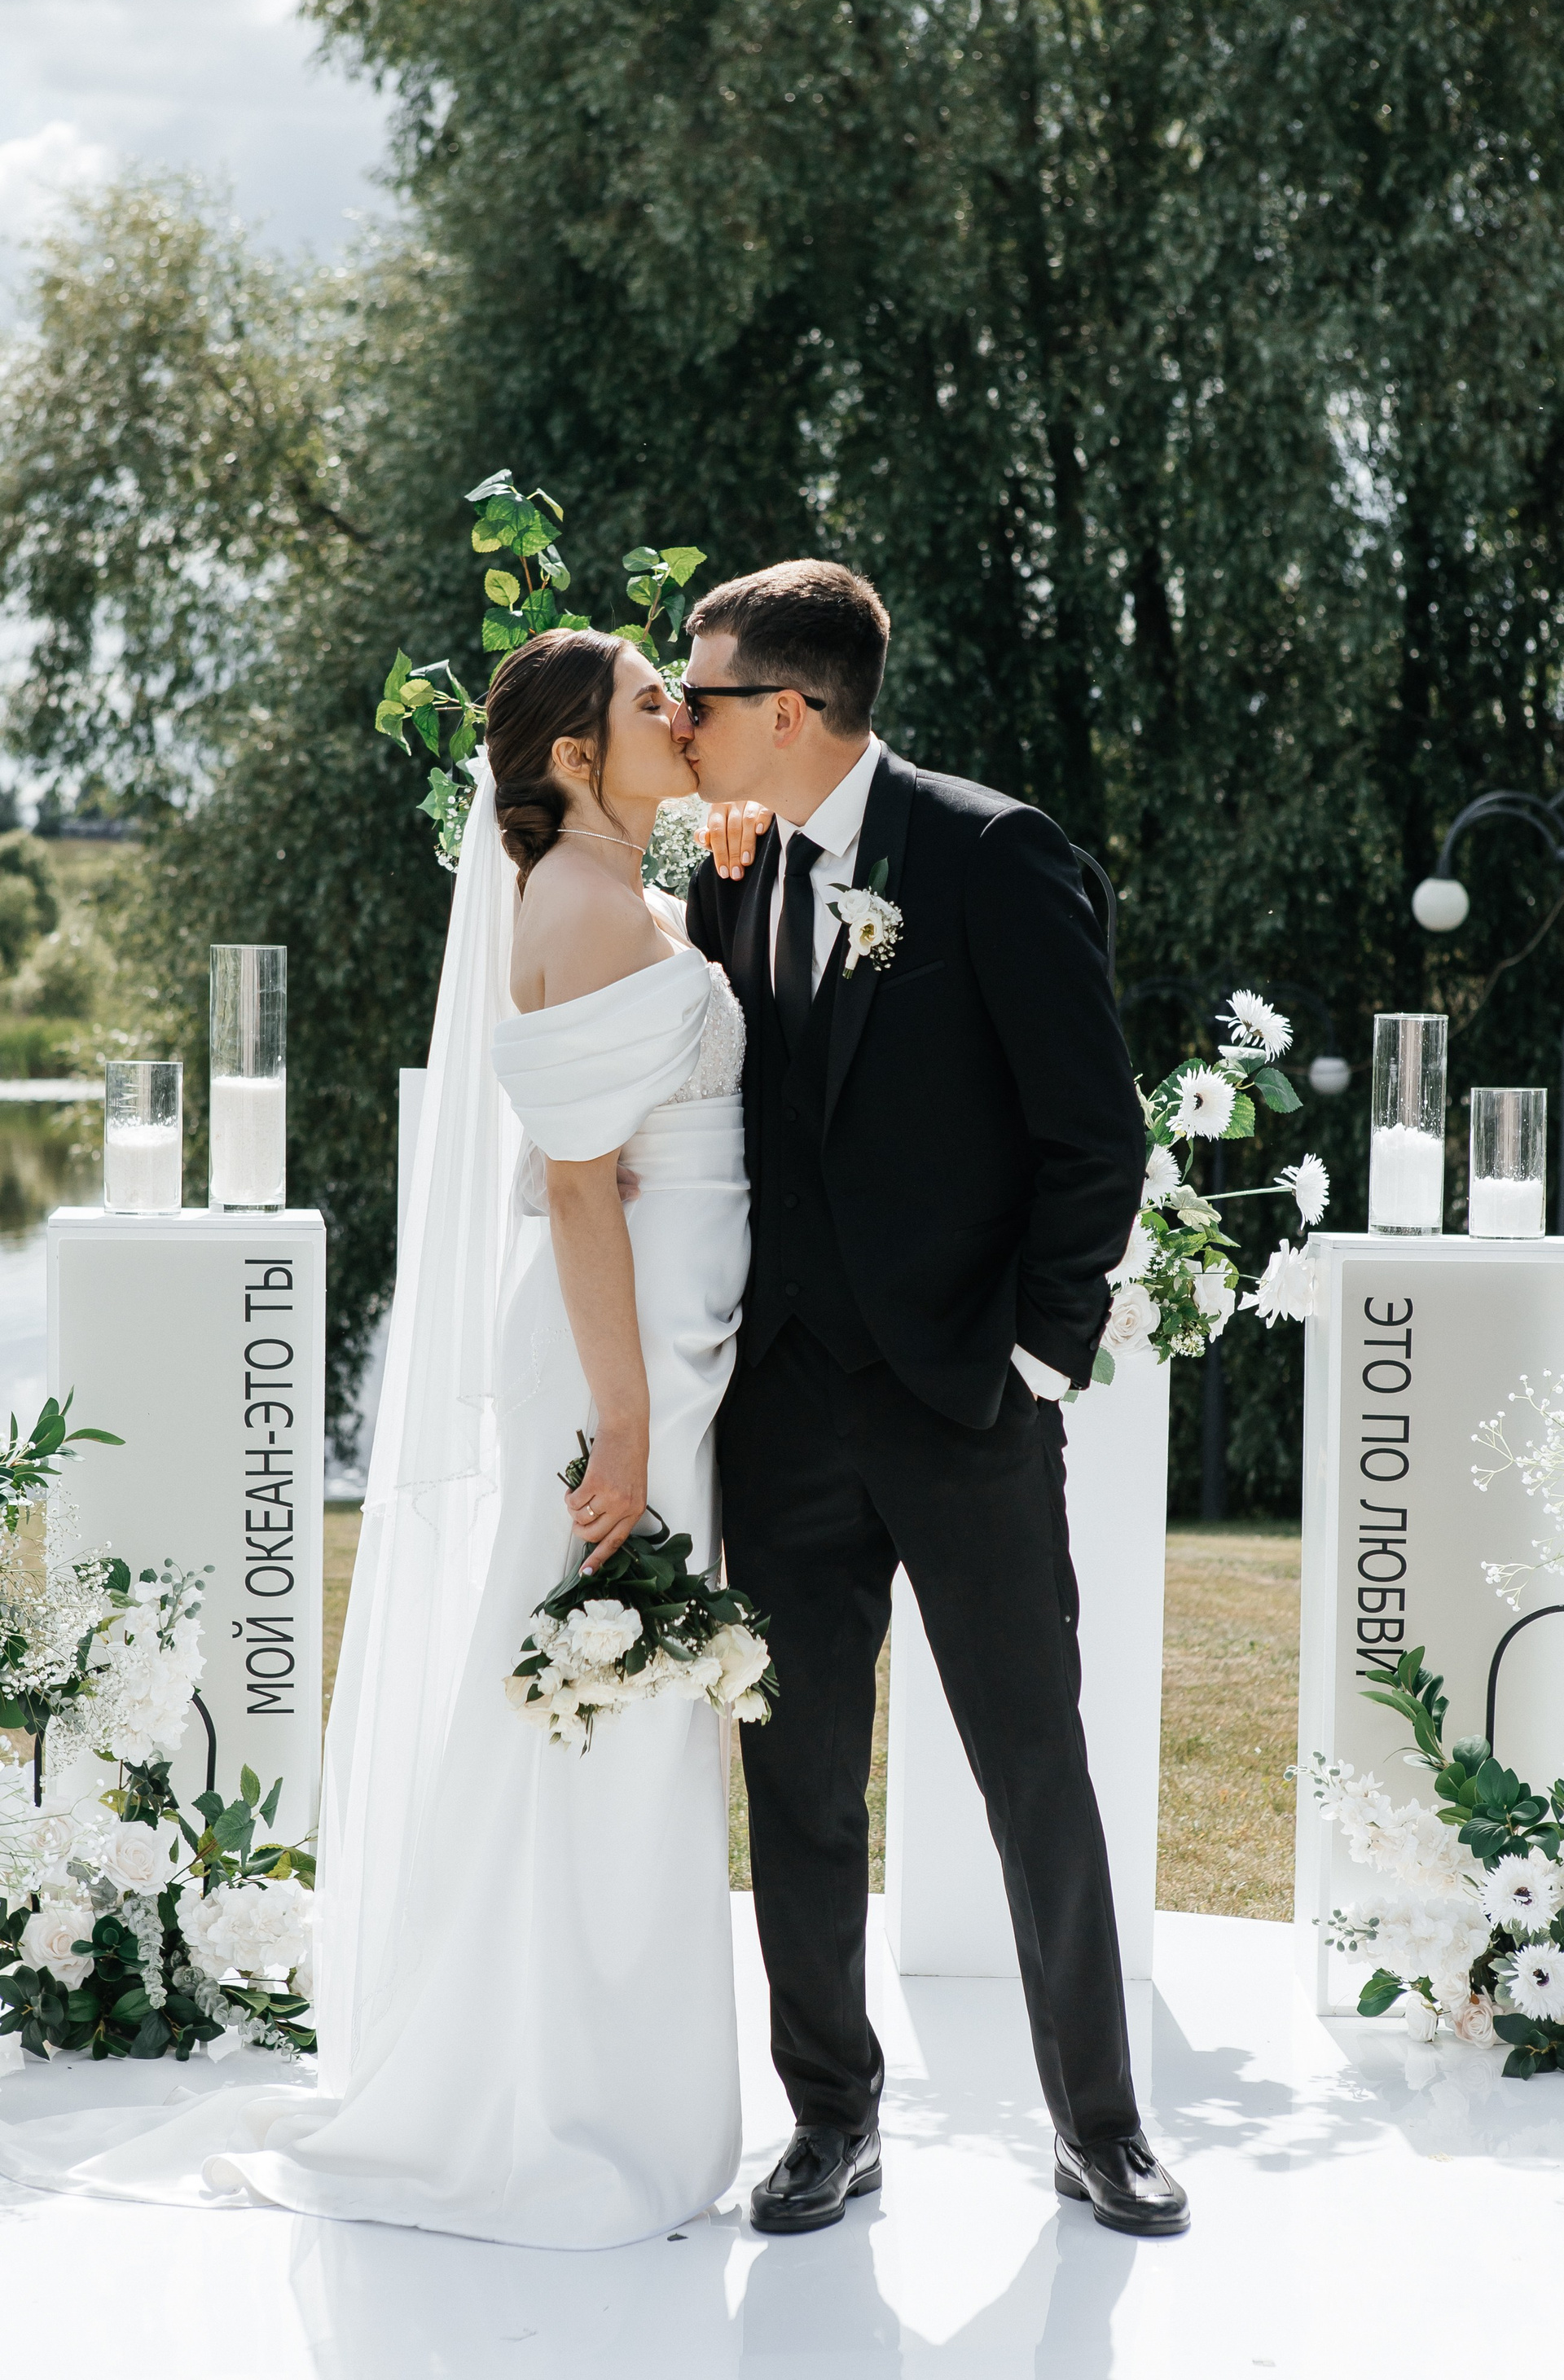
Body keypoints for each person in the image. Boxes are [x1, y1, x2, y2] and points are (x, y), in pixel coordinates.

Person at [0, 629, 753, 2247]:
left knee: (622, 1694)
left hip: (662, 1342)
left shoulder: (620, 894)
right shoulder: (585, 907)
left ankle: (602, 2075)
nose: (682, 713)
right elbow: (577, 1189)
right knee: (591, 1688)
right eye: (650, 702)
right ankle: (545, 2093)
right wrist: (623, 1418)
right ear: (575, 757)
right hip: (616, 1362)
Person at [679, 560, 1190, 2240]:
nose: (680, 719)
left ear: (790, 709)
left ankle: (1101, 2125)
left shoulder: (989, 852)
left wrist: (1037, 1358)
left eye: (702, 693)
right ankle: (832, 2114)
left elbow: (1093, 1133)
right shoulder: (732, 876)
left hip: (968, 1407)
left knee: (1033, 1767)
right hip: (784, 1413)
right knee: (800, 1783)